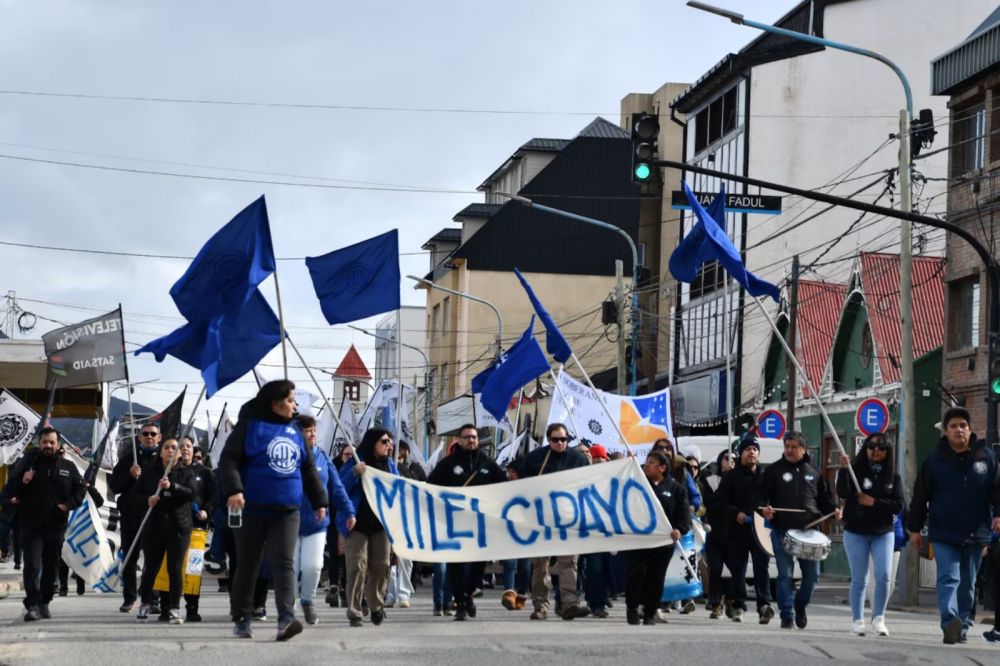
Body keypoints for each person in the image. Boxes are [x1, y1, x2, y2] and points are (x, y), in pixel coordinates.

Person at [220, 380, 329, 641]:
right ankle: (242, 617)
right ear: (275, 404)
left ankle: (286, 619)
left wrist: (320, 501)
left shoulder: (296, 431)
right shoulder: (249, 427)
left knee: (284, 563)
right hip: (252, 510)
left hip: (287, 511)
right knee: (248, 564)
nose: (295, 404)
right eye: (291, 400)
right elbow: (229, 460)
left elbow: (309, 470)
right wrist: (235, 490)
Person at [908, 407, 1000, 645]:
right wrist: (915, 529)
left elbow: (998, 490)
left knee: (968, 584)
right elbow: (920, 495)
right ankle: (950, 622)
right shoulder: (934, 460)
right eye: (953, 426)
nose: (959, 430)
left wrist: (998, 515)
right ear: (946, 432)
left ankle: (963, 626)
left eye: (963, 426)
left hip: (976, 532)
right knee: (948, 577)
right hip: (944, 531)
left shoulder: (986, 457)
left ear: (970, 430)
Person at [755, 431, 840, 630]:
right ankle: (786, 615)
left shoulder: (814, 471)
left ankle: (800, 606)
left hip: (809, 531)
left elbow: (826, 499)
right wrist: (764, 509)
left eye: (794, 447)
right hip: (782, 529)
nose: (790, 450)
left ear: (803, 449)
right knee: (785, 575)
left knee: (812, 576)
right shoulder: (773, 471)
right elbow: (759, 497)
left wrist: (834, 509)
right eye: (787, 447)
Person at [1, 427, 85, 621]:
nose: (48, 445)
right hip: (30, 524)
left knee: (51, 565)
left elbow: (80, 490)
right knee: (31, 564)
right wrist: (23, 481)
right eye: (45, 442)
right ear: (39, 444)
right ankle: (32, 603)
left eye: (52, 442)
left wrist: (68, 505)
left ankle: (45, 601)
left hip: (55, 525)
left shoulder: (68, 467)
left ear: (58, 445)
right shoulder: (27, 465)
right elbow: (8, 491)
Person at [427, 424, 505, 621]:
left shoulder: (487, 463)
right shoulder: (447, 464)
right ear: (460, 440)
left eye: (474, 437)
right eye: (467, 437)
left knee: (478, 564)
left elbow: (505, 487)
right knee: (456, 566)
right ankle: (460, 603)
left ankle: (469, 593)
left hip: (480, 524)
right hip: (455, 524)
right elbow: (430, 486)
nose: (471, 440)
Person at [517, 423, 590, 620]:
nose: (560, 443)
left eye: (564, 439)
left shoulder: (579, 459)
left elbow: (589, 484)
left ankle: (570, 604)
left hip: (568, 520)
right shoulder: (535, 459)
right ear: (548, 440)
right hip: (542, 520)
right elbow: (518, 478)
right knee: (541, 566)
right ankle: (540, 606)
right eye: (555, 440)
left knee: (569, 564)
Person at [837, 432, 904, 637]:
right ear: (865, 448)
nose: (876, 450)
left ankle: (879, 618)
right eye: (872, 446)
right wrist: (843, 470)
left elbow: (898, 505)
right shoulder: (854, 469)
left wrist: (873, 502)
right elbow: (842, 493)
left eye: (881, 447)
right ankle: (857, 620)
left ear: (888, 451)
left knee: (884, 576)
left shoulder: (893, 476)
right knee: (860, 578)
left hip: (883, 531)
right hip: (856, 530)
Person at [294, 415, 355, 626]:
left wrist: (348, 511)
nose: (312, 434)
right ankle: (288, 604)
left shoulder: (323, 458)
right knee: (291, 568)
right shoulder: (287, 456)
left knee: (314, 566)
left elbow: (337, 488)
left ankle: (307, 600)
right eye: (307, 430)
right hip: (289, 522)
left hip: (317, 522)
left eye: (314, 430)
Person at [339, 428, 399, 627]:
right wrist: (355, 473)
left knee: (381, 565)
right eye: (384, 441)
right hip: (357, 523)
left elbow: (399, 492)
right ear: (373, 442)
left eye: (390, 442)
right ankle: (355, 611)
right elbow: (340, 487)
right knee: (357, 565)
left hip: (381, 525)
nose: (389, 445)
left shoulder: (390, 466)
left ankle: (375, 605)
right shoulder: (355, 462)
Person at [626, 450, 690, 625]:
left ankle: (649, 612)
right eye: (646, 461)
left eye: (652, 462)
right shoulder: (639, 484)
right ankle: (632, 608)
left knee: (656, 577)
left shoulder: (676, 488)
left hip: (663, 542)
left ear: (662, 468)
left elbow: (683, 514)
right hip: (639, 540)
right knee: (637, 575)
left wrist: (679, 529)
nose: (647, 464)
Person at [136, 438, 196, 624]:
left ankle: (174, 608)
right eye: (167, 447)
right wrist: (148, 499)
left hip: (179, 527)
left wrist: (173, 487)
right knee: (151, 568)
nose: (171, 450)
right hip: (155, 526)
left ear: (180, 454)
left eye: (175, 448)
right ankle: (145, 604)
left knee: (175, 568)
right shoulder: (149, 473)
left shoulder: (187, 472)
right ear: (161, 452)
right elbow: (134, 496)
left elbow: (192, 493)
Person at [717, 436, 774, 624]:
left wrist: (769, 510)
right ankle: (739, 605)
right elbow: (720, 502)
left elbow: (773, 500)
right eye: (748, 449)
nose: (752, 452)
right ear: (741, 453)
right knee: (739, 571)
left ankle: (764, 606)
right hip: (737, 530)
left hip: (760, 530)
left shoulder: (766, 477)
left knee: (761, 570)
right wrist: (736, 513)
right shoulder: (730, 477)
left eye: (755, 449)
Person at [109, 422, 161, 613]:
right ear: (139, 437)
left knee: (152, 560)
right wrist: (130, 476)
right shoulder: (128, 459)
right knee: (130, 559)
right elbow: (114, 487)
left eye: (153, 434)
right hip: (131, 516)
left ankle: (152, 598)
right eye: (145, 434)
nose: (149, 437)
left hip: (153, 517)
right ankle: (129, 598)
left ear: (159, 437)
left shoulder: (163, 461)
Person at [179, 440, 217, 622]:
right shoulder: (169, 471)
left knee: (193, 570)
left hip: (197, 528)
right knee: (171, 568)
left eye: (187, 446)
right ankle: (166, 606)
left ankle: (192, 608)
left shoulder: (204, 473)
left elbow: (213, 497)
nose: (184, 449)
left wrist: (206, 511)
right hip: (174, 527)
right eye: (180, 446)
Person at [387, 440, 424, 609]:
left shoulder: (413, 469)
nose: (399, 453)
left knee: (406, 559)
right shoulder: (385, 467)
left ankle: (403, 594)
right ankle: (390, 593)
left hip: (408, 518)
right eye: (396, 450)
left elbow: (420, 487)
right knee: (389, 560)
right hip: (389, 519)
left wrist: (401, 470)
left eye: (402, 450)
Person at [700, 449, 734, 620]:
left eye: (734, 459)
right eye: (727, 458)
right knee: (716, 568)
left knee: (735, 570)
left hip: (735, 533)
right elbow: (711, 503)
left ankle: (730, 600)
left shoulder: (740, 480)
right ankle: (715, 603)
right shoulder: (711, 481)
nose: (730, 462)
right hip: (715, 531)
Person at [581, 444, 614, 618]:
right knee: (595, 568)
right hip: (589, 531)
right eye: (595, 458)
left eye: (602, 458)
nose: (599, 461)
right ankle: (596, 604)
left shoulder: (613, 478)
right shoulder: (584, 478)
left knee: (605, 569)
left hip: (609, 531)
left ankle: (600, 599)